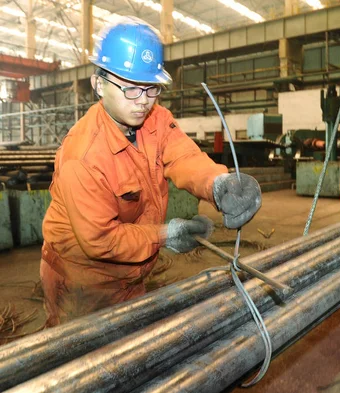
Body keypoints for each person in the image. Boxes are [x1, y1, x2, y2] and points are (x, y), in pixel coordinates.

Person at [40, 17, 262, 326]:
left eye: (152, 88)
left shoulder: (155, 118)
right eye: (131, 89)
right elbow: (100, 240)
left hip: (131, 272)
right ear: (98, 84)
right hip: (83, 281)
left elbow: (181, 155)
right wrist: (165, 235)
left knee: (133, 351)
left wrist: (217, 183)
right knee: (84, 365)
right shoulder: (83, 156)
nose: (144, 101)